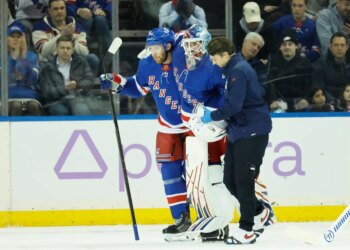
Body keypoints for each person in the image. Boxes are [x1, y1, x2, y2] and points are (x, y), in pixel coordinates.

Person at [100, 27, 192, 240]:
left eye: (157, 47)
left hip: (194, 126)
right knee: (168, 173)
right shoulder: (148, 64)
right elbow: (138, 87)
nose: (153, 52)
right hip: (168, 127)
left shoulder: (183, 57)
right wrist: (118, 83)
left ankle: (209, 219)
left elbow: (191, 35)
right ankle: (181, 219)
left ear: (168, 46)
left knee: (196, 173)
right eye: (150, 48)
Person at [204, 36, 272, 245]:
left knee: (243, 181)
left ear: (225, 54)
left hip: (252, 131)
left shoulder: (238, 71)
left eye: (215, 58)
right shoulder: (233, 69)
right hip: (239, 131)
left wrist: (210, 116)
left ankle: (247, 229)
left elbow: (234, 106)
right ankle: (260, 212)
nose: (213, 62)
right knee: (229, 180)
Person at [32, 0, 100, 76]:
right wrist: (62, 34)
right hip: (50, 64)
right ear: (49, 11)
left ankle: (85, 87)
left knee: (92, 59)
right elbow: (44, 51)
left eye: (62, 8)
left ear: (65, 9)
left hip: (72, 64)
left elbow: (84, 52)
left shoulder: (76, 26)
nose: (59, 11)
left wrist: (71, 37)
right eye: (55, 9)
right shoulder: (39, 27)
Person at [37, 35, 94, 115]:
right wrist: (64, 88)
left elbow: (90, 81)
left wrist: (77, 84)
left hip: (77, 98)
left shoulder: (81, 62)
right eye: (62, 48)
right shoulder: (47, 66)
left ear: (73, 50)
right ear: (56, 49)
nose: (65, 51)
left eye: (68, 48)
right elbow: (46, 91)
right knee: (60, 111)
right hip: (56, 101)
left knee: (82, 111)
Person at [266, 30, 313, 112]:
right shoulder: (273, 63)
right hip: (279, 104)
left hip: (300, 104)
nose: (287, 47)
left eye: (290, 44)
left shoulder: (305, 63)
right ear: (280, 47)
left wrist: (307, 99)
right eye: (284, 45)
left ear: (296, 46)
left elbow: (310, 84)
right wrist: (273, 100)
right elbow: (270, 83)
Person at [6, 22, 42, 116]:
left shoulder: (32, 56)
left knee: (33, 106)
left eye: (19, 36)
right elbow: (5, 79)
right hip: (8, 97)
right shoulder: (2, 57)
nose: (16, 39)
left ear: (24, 39)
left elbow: (32, 80)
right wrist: (13, 59)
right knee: (16, 106)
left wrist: (24, 58)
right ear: (6, 39)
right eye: (12, 36)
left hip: (29, 96)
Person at [312, 32, 350, 99]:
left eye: (342, 45)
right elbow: (319, 87)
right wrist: (333, 101)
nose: (339, 48)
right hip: (328, 101)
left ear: (347, 47)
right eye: (336, 45)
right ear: (330, 47)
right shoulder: (320, 64)